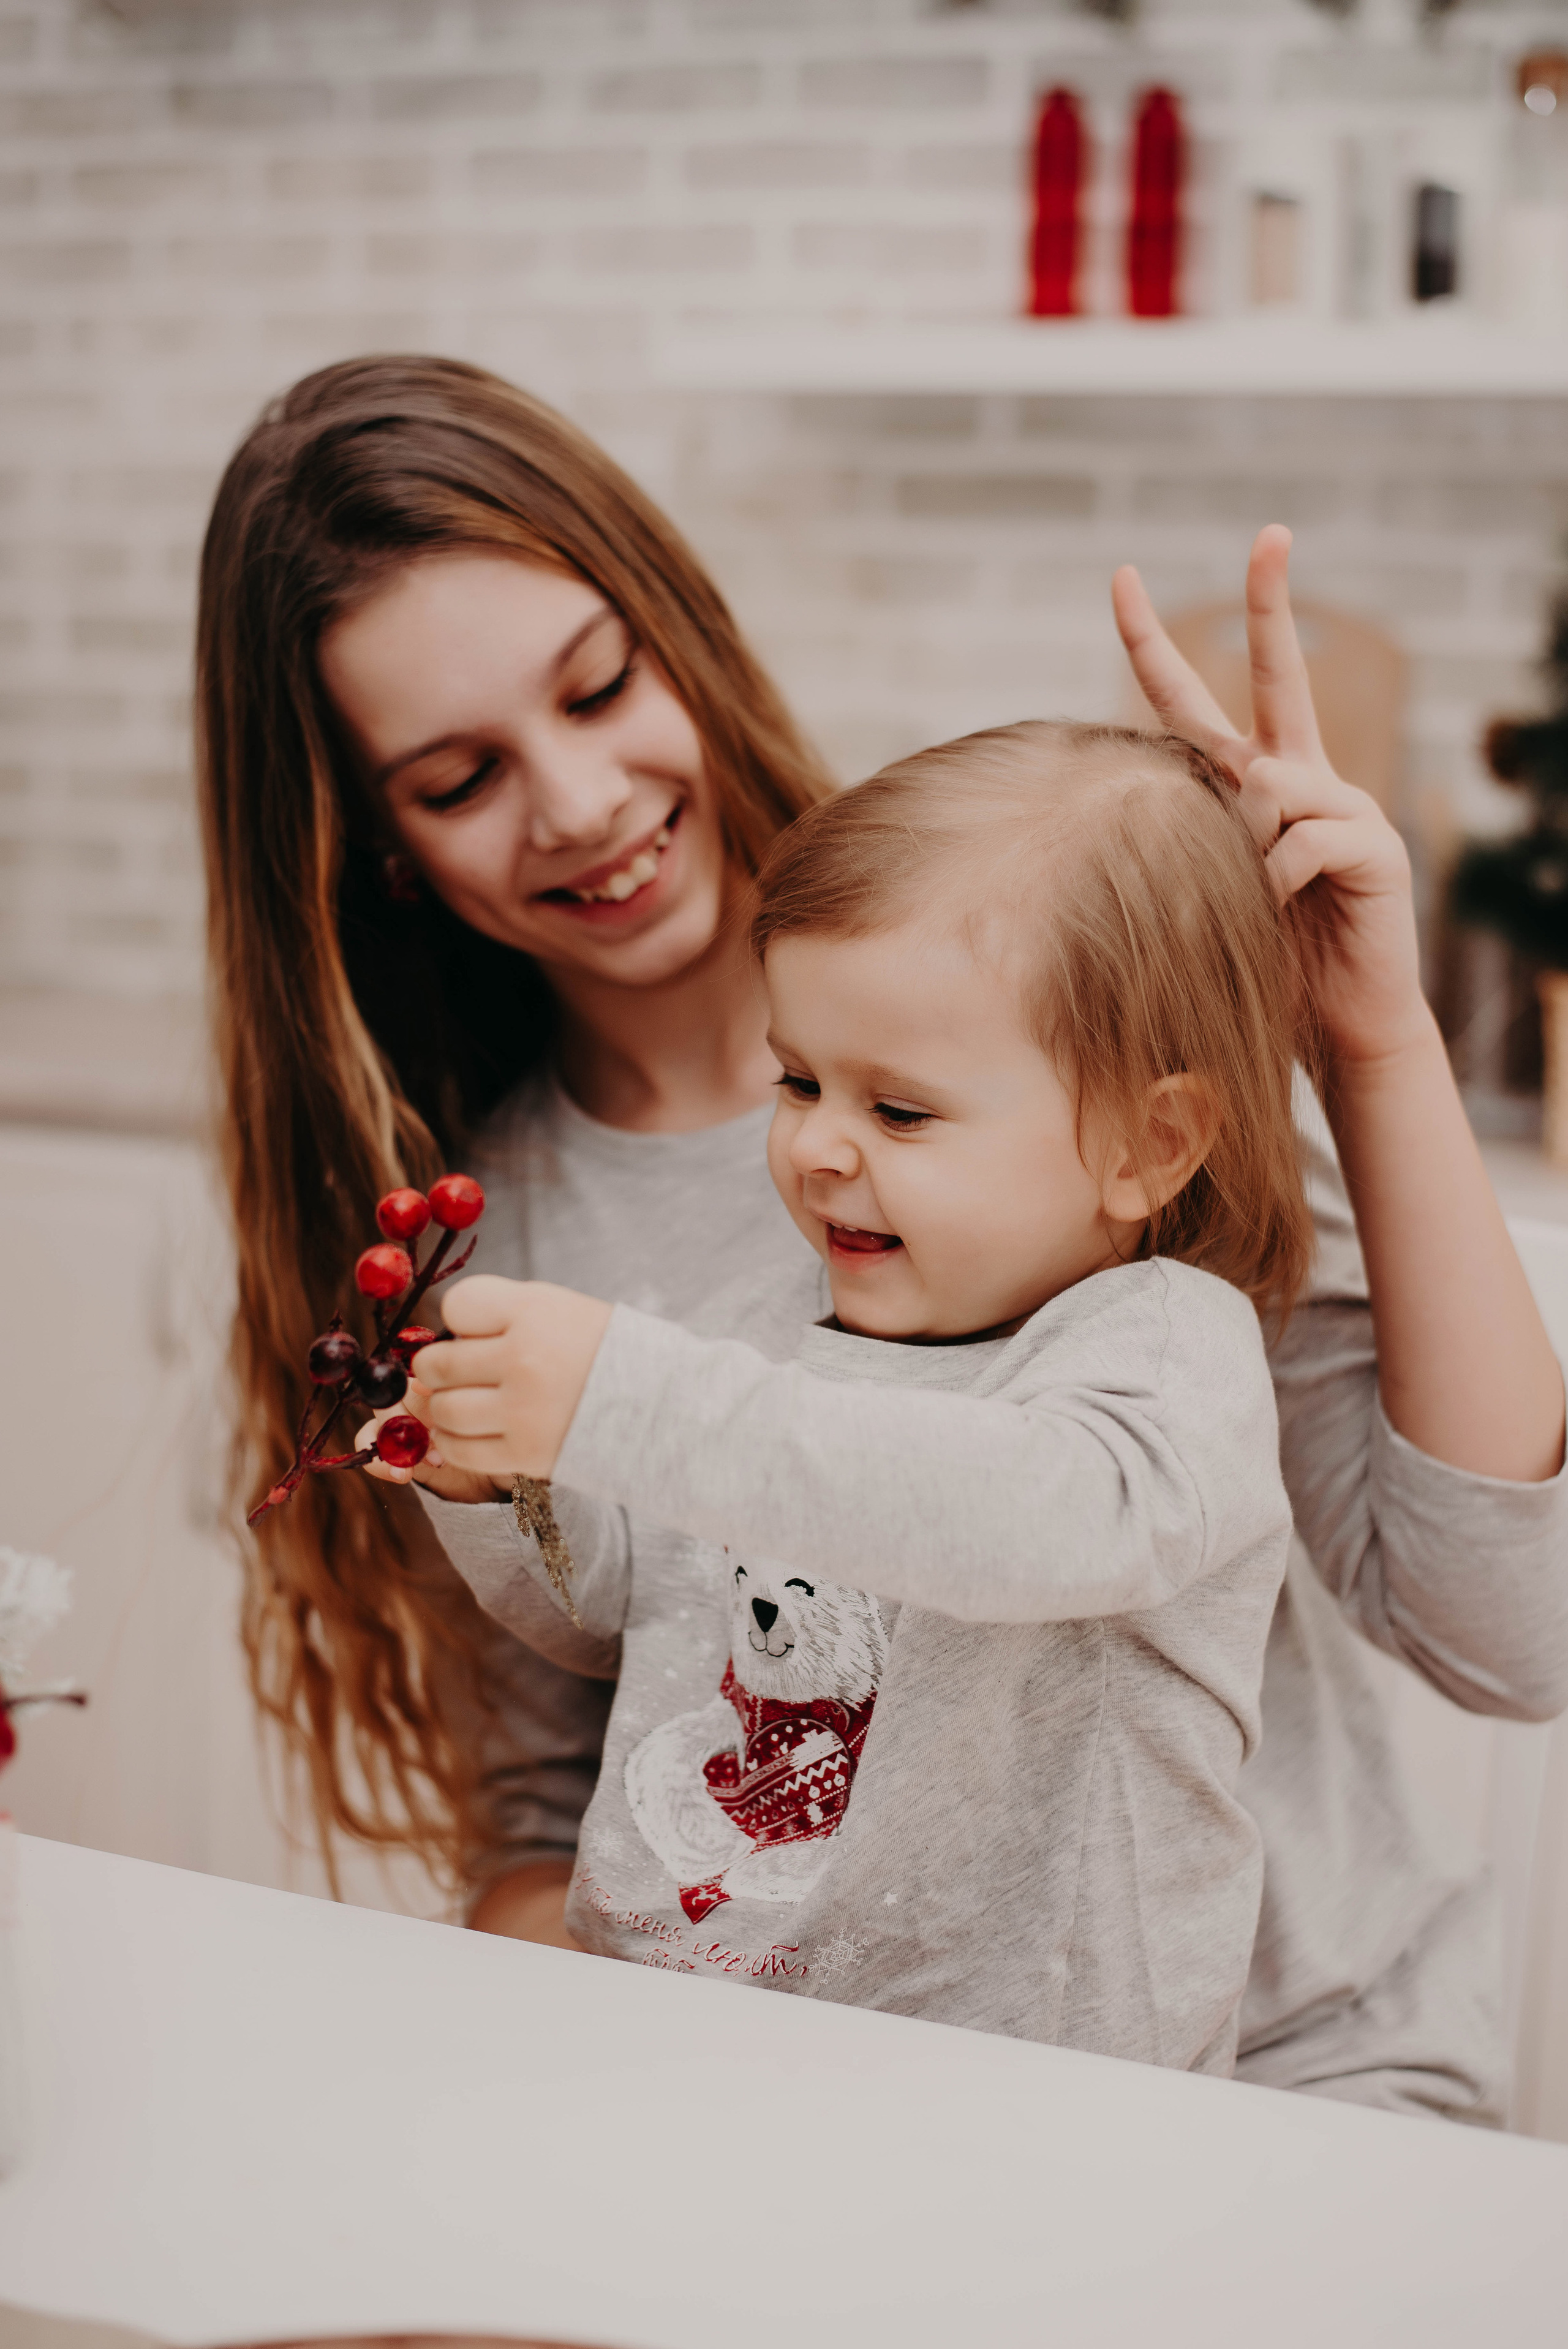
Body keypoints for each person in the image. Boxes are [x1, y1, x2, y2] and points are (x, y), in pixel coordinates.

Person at [198, 355, 1568, 2119]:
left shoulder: (1041, 1019)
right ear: (376, 844)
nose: (583, 802)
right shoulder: (495, 1229)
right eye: (460, 777)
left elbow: (1508, 1633)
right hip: (855, 2119)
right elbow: (567, 1758)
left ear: (677, 633)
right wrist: (494, 1490)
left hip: (1286, 2077)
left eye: (600, 686)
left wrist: (1373, 1040)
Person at [373, 720, 1313, 2069]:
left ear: (1145, 1143)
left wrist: (632, 1399)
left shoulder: (1159, 1353)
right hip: (684, 2045)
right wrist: (499, 1476)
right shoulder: (769, 1320)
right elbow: (615, 1609)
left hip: (1029, 2115)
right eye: (799, 1080)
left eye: (902, 1113)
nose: (816, 1146)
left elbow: (1021, 1519)